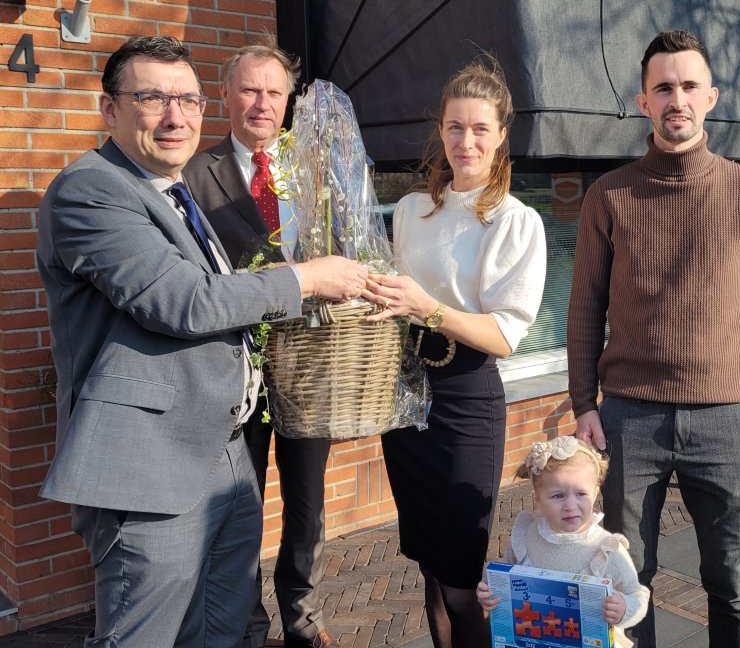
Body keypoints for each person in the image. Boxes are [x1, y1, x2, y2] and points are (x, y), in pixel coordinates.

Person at [36, 35, 370, 648]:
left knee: (221, 629)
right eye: (154, 98)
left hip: (222, 452)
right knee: (145, 635)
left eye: (186, 100)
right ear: (111, 109)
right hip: (152, 468)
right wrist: (306, 277)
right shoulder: (91, 190)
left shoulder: (170, 189)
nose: (175, 116)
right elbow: (184, 302)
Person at [567, 29, 740, 648]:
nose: (677, 99)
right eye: (663, 87)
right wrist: (584, 403)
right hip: (628, 418)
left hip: (724, 419)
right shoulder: (608, 195)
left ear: (711, 96)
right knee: (625, 582)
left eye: (689, 85)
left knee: (733, 584)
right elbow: (584, 305)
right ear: (643, 102)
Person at [364, 57, 548, 648]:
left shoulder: (517, 222)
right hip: (406, 391)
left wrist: (426, 305)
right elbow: (396, 298)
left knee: (463, 577)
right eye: (454, 127)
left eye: (479, 129)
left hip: (467, 395)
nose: (465, 141)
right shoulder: (414, 209)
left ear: (500, 138)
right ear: (439, 132)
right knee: (426, 559)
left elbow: (504, 335)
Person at [183, 36, 337, 648]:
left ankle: (301, 615)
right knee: (235, 503)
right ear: (224, 95)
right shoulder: (194, 172)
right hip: (230, 366)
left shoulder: (316, 170)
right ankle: (243, 622)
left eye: (274, 92)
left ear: (289, 100)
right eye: (249, 89)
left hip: (308, 367)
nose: (261, 102)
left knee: (307, 505)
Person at [476, 436, 650, 648]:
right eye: (558, 496)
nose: (570, 505)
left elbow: (637, 594)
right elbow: (504, 574)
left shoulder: (606, 549)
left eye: (580, 494)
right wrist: (490, 592)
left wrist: (624, 608)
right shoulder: (527, 536)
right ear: (538, 497)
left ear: (595, 493)